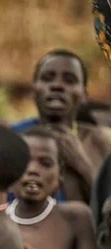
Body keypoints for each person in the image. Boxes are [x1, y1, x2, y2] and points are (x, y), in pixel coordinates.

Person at [13, 50, 111, 202]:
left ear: (84, 95)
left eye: (69, 80)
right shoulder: (14, 138)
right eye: (47, 78)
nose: (57, 86)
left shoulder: (102, 142)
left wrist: (82, 164)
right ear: (34, 89)